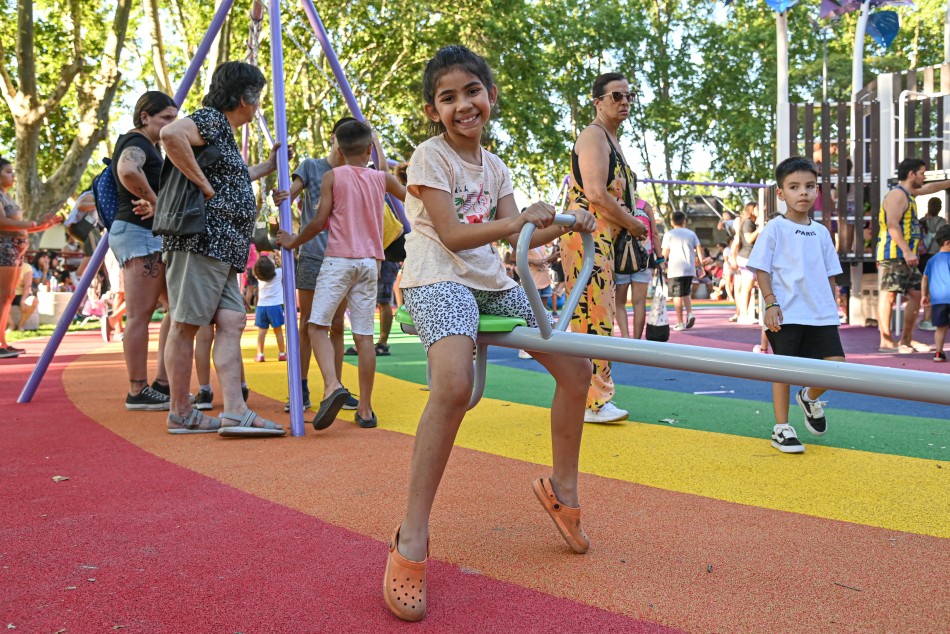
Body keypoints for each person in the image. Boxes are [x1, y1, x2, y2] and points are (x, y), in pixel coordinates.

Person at [380, 44, 596, 622]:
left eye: (471, 92)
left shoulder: (495, 165)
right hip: (437, 278)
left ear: (490, 96)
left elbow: (514, 238)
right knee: (453, 388)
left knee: (578, 369)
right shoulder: (429, 158)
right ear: (433, 111)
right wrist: (521, 221)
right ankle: (412, 536)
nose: (463, 105)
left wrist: (568, 219)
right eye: (448, 98)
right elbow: (451, 234)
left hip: (490, 279)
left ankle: (563, 490)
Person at [159, 61, 286, 437]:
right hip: (202, 240)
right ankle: (181, 412)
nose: (259, 105)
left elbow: (233, 176)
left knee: (231, 321)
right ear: (245, 97)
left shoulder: (222, 132)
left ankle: (235, 410)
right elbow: (169, 134)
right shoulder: (211, 120)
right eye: (258, 97)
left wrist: (267, 165)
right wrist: (206, 188)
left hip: (223, 249)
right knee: (185, 326)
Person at [276, 120, 406, 430]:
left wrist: (293, 240)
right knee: (363, 337)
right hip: (369, 263)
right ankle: (365, 408)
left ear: (339, 147)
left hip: (338, 260)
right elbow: (411, 196)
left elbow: (320, 221)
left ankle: (333, 384)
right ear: (369, 149)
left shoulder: (332, 176)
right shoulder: (382, 179)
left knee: (315, 326)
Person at [562, 72, 648, 424]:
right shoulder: (594, 136)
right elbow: (597, 194)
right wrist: (632, 222)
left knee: (597, 316)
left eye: (629, 96)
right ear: (597, 101)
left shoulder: (610, 139)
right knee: (594, 318)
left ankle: (590, 397)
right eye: (616, 96)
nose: (625, 102)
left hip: (599, 239)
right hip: (588, 238)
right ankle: (595, 401)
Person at [747, 157, 845, 454]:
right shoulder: (775, 228)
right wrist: (770, 303)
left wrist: (834, 306)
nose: (803, 192)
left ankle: (809, 397)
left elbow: (830, 274)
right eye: (794, 187)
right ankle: (781, 427)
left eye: (809, 186)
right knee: (784, 370)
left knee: (836, 368)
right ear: (781, 193)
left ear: (817, 191)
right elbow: (761, 269)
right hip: (785, 311)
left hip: (821, 313)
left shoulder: (822, 232)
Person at [282, 116, 358, 412]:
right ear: (332, 137)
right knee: (308, 324)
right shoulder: (312, 166)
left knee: (337, 326)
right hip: (314, 255)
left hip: (343, 258)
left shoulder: (357, 172)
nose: (346, 144)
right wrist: (283, 194)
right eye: (343, 137)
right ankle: (300, 387)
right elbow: (290, 193)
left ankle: (335, 387)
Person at [111, 90, 179, 409]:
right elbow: (127, 171)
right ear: (145, 117)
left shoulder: (151, 146)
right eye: (165, 118)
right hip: (137, 233)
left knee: (175, 308)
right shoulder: (136, 142)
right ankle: (137, 390)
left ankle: (162, 384)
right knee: (140, 315)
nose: (170, 126)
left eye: (174, 120)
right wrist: (158, 203)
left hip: (147, 235)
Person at [876, 158, 950, 353]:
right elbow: (892, 224)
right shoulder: (896, 195)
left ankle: (906, 340)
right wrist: (907, 251)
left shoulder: (910, 194)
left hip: (907, 256)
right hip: (893, 254)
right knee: (889, 294)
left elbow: (931, 188)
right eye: (922, 173)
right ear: (911, 174)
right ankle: (886, 341)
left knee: (917, 295)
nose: (924, 177)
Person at [0, 156, 60, 358]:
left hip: (15, 249)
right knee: (3, 296)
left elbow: (20, 227)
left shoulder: (6, 196)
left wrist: (43, 225)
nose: (13, 175)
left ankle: (3, 342)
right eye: (8, 171)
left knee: (8, 296)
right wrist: (33, 224)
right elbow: (2, 223)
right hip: (4, 248)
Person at [615, 194, 662, 339]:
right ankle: (636, 341)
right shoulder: (644, 206)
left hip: (620, 259)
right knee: (639, 302)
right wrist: (660, 258)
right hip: (643, 259)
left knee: (619, 303)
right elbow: (654, 233)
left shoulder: (615, 204)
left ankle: (625, 337)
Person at [661, 211, 703, 331]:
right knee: (686, 292)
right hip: (689, 268)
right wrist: (700, 265)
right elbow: (699, 249)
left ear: (672, 221)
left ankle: (680, 322)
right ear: (684, 221)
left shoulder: (669, 234)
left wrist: (661, 265)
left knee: (677, 295)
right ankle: (690, 313)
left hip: (675, 268)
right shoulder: (691, 234)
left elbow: (665, 252)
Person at [921, 224, 950, 362]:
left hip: (938, 300)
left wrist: (924, 295)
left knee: (940, 327)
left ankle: (938, 352)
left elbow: (925, 279)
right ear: (948, 243)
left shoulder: (931, 260)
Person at [917, 198, 945, 331]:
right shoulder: (942, 222)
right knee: (933, 287)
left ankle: (925, 318)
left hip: (921, 256)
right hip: (936, 255)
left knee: (924, 286)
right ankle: (929, 318)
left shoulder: (921, 221)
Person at [252, 254, 286, 362]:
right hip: (275, 306)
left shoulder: (258, 276)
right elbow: (285, 267)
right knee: (278, 331)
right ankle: (282, 353)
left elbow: (258, 267)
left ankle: (260, 354)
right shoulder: (278, 274)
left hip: (261, 306)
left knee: (262, 332)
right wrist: (279, 257)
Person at [733, 202, 760, 324]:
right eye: (757, 208)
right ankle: (744, 315)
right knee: (747, 288)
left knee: (747, 288)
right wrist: (760, 229)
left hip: (747, 256)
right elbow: (749, 238)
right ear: (751, 209)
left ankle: (745, 314)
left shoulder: (749, 223)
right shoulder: (748, 223)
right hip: (747, 257)